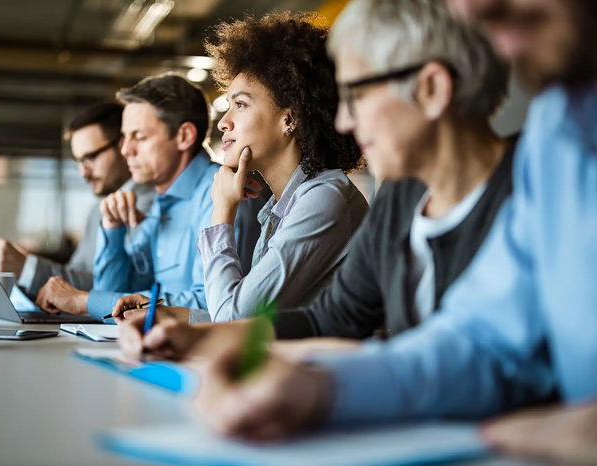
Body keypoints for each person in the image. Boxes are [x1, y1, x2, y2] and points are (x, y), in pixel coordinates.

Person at [192, 0, 597, 460]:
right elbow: (481, 340)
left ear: (430, 90)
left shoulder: (328, 197)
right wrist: (321, 389)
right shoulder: (558, 122)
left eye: (357, 96)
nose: (473, 8)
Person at [117, 0, 515, 363]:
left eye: (357, 96)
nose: (345, 121)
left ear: (431, 88)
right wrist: (196, 336)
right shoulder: (401, 194)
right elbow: (334, 317)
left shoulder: (526, 195)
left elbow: (485, 366)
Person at [112, 13, 367, 338]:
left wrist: (222, 211)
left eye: (241, 105)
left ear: (290, 119)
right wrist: (169, 313)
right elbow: (247, 314)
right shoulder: (284, 203)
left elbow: (234, 318)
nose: (223, 122)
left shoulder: (324, 198)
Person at [35, 74, 262, 320]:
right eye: (125, 138)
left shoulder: (223, 193)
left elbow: (211, 305)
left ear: (184, 136)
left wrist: (83, 301)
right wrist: (113, 231)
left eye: (139, 137)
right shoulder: (157, 200)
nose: (125, 150)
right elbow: (115, 295)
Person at [0, 103, 154, 297]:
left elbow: (118, 291)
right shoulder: (96, 211)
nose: (83, 172)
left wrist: (26, 266)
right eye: (78, 161)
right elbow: (76, 278)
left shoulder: (151, 206)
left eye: (91, 157)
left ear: (124, 147)